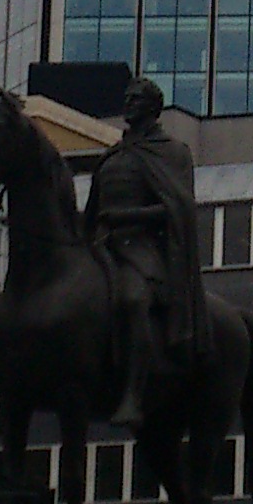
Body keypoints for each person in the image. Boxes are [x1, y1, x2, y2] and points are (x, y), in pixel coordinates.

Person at [86, 77, 205, 415]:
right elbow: (94, 209)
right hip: (101, 246)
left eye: (135, 98)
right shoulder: (113, 155)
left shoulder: (172, 152)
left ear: (153, 106)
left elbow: (178, 209)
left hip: (142, 250)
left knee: (132, 299)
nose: (128, 103)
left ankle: (132, 394)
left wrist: (125, 216)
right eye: (126, 97)